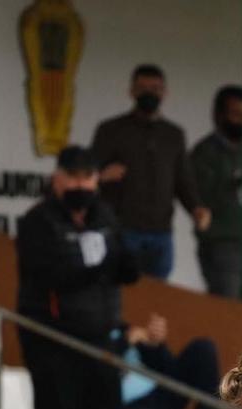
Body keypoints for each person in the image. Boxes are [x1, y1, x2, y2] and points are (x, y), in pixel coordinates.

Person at [15, 145, 139, 409]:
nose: (82, 186)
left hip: (100, 340)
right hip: (52, 339)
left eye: (89, 179)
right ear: (58, 179)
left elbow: (127, 269)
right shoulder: (36, 222)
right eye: (74, 178)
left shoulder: (105, 216)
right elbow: (54, 274)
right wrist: (97, 263)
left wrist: (121, 257)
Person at [88, 65, 208, 283]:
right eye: (142, 88)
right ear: (131, 92)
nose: (149, 94)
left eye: (155, 88)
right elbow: (87, 172)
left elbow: (183, 180)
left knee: (157, 295)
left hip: (161, 231)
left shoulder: (174, 134)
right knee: (122, 289)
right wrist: (102, 176)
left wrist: (196, 208)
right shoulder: (111, 130)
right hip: (122, 227)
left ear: (165, 93)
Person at [117, 314, 222, 409]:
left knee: (204, 348)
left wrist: (154, 345)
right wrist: (124, 343)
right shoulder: (94, 337)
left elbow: (166, 369)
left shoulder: (124, 329)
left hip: (158, 396)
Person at [189, 86, 242, 298]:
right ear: (219, 115)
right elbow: (201, 197)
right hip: (220, 242)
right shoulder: (204, 152)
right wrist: (234, 182)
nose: (241, 121)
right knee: (228, 307)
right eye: (235, 114)